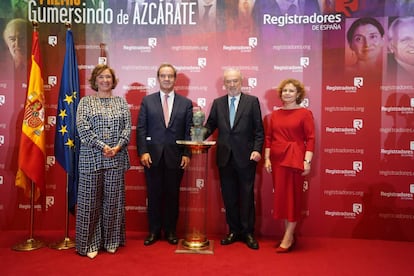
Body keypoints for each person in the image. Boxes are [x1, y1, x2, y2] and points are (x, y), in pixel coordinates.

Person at [204, 68, 264, 250]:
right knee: (229, 197)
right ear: (224, 83)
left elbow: (259, 131)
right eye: (228, 81)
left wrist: (256, 150)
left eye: (235, 81)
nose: (231, 84)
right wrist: (198, 134)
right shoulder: (218, 103)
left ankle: (248, 233)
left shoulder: (252, 102)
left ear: (241, 82)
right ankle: (234, 230)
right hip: (224, 158)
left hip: (246, 158)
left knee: (246, 196)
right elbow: (210, 125)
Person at [76, 64, 132, 259]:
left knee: (113, 204)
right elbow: (82, 129)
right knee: (89, 202)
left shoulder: (121, 102)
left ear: (113, 80)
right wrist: (102, 146)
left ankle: (111, 241)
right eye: (101, 77)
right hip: (91, 160)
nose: (105, 80)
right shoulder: (85, 102)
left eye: (108, 77)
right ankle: (89, 243)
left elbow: (127, 129)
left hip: (116, 159)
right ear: (95, 80)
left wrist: (117, 147)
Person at [137, 63, 193, 246]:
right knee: (153, 195)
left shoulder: (186, 103)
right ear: (158, 78)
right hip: (152, 157)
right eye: (163, 76)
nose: (167, 79)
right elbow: (141, 129)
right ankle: (153, 231)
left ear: (175, 79)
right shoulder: (148, 101)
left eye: (170, 76)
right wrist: (143, 151)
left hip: (175, 157)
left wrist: (187, 154)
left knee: (172, 196)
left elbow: (188, 131)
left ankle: (170, 231)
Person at [263, 78, 315, 253]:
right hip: (277, 160)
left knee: (293, 198)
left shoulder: (305, 113)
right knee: (283, 198)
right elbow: (269, 138)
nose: (287, 93)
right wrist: (267, 158)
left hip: (295, 159)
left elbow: (310, 139)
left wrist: (307, 161)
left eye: (291, 91)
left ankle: (287, 236)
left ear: (298, 94)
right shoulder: (275, 115)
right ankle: (289, 235)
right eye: (284, 90)